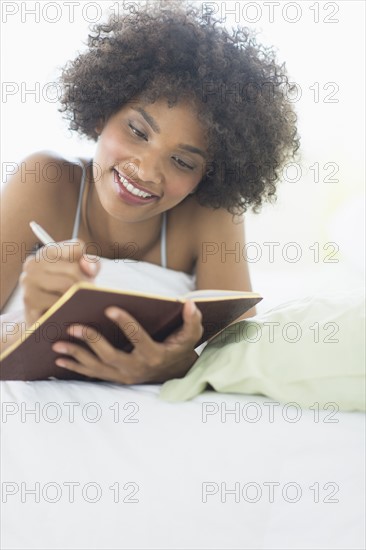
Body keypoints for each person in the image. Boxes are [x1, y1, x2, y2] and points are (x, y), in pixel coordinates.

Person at [0, 1, 299, 383]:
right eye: (138, 132)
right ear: (101, 113)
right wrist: (29, 323)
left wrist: (181, 366)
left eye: (183, 162)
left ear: (210, 176)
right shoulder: (43, 181)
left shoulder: (212, 214)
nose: (145, 171)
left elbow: (239, 352)